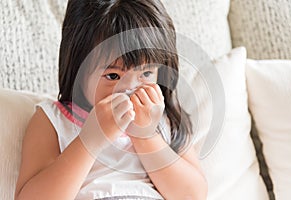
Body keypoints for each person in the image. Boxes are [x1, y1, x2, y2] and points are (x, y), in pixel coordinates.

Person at [15, 0, 207, 199]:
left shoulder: (164, 123)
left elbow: (193, 195)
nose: (130, 89)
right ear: (78, 71)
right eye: (113, 76)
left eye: (147, 73)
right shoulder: (53, 121)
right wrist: (89, 141)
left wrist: (146, 137)